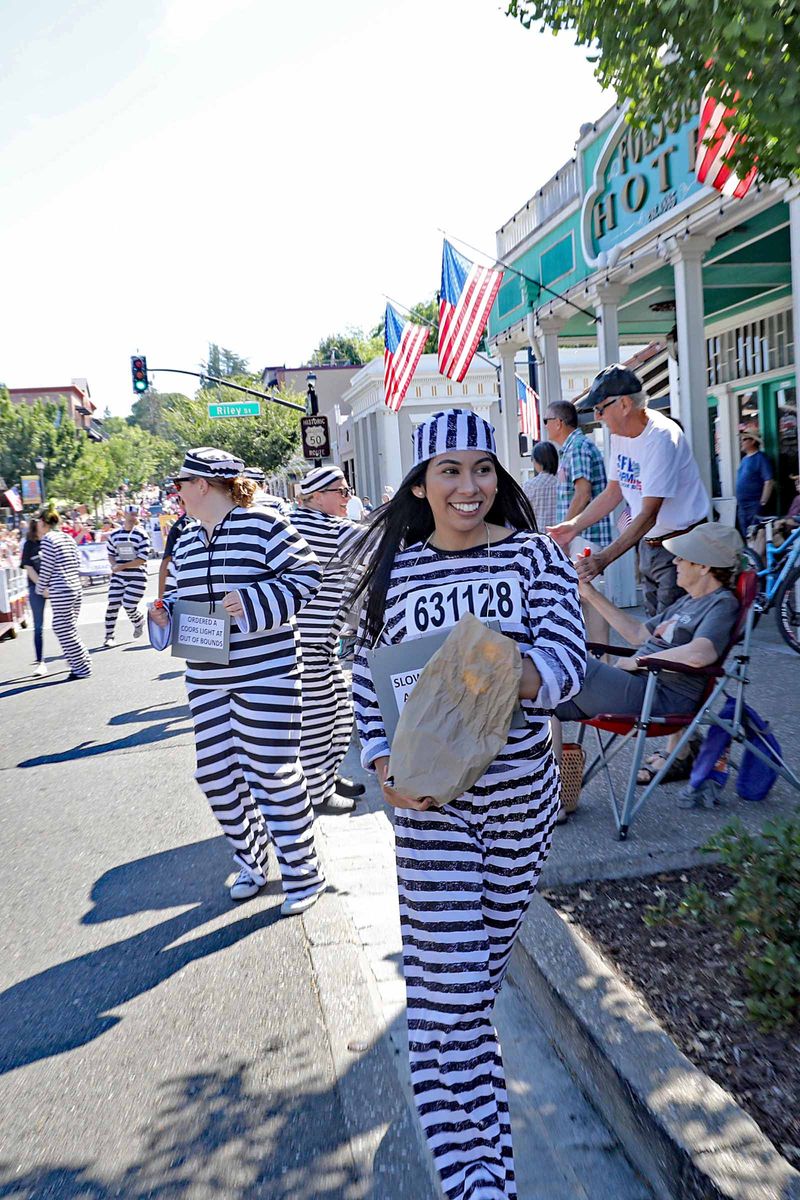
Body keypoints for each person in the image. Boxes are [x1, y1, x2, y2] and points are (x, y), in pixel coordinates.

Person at [350, 409, 585, 1200]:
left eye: (482, 468)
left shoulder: (531, 559)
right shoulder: (395, 575)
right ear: (420, 482)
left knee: (473, 989)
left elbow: (565, 661)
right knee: (447, 997)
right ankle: (475, 1180)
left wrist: (484, 669)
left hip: (521, 802)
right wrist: (381, 761)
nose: (469, 486)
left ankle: (483, 1161)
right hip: (430, 813)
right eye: (449, 470)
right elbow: (365, 682)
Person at [148, 447, 326, 915]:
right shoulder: (185, 535)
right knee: (215, 775)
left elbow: (307, 576)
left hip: (266, 672)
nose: (177, 492)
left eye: (181, 484)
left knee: (273, 773)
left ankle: (305, 873)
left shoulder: (264, 523)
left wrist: (253, 600)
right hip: (204, 675)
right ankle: (252, 861)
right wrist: (163, 613)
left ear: (204, 485)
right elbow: (177, 595)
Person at [556, 522, 742, 788]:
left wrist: (639, 661)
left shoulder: (721, 604)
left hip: (658, 695)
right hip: (637, 686)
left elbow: (701, 654)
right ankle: (554, 796)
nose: (675, 561)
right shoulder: (687, 601)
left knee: (559, 664)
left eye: (683, 557)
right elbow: (638, 634)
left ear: (704, 566)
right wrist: (589, 593)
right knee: (538, 702)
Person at [549, 365, 710, 616]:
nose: (598, 417)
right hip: (651, 544)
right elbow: (613, 492)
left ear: (624, 405)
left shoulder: (661, 437)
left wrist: (605, 558)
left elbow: (648, 514)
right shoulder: (620, 434)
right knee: (654, 630)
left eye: (600, 408)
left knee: (670, 636)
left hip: (682, 547)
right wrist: (573, 526)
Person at [289, 465, 366, 812]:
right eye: (341, 491)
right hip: (306, 646)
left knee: (339, 715)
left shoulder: (293, 521)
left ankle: (326, 778)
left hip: (318, 644)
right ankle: (317, 793)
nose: (347, 497)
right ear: (316, 497)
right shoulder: (326, 528)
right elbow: (377, 542)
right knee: (320, 722)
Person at [544, 399, 613, 550]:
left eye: (546, 420)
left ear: (558, 422)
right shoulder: (572, 448)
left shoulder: (577, 447)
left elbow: (582, 494)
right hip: (579, 537)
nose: (545, 426)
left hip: (584, 538)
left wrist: (564, 535)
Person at [35, 507, 91, 681]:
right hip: (74, 586)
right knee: (68, 628)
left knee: (63, 629)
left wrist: (40, 588)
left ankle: (82, 666)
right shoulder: (67, 537)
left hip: (61, 589)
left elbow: (47, 568)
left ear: (43, 522)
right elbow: (77, 560)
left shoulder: (48, 540)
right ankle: (79, 664)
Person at [104, 505, 152, 647]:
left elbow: (142, 559)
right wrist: (114, 565)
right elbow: (111, 553)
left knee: (129, 604)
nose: (133, 516)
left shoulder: (142, 535)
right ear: (124, 514)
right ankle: (109, 636)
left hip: (137, 575)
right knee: (113, 603)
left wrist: (123, 566)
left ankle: (138, 621)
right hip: (119, 575)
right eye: (130, 513)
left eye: (135, 514)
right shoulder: (114, 535)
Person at [20, 516, 47, 677]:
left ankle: (72, 657)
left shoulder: (51, 541)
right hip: (35, 587)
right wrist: (41, 587)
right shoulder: (29, 545)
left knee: (64, 623)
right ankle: (40, 662)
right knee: (38, 626)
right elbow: (28, 567)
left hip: (56, 585)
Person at [736, 431, 774, 536]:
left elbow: (769, 481)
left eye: (744, 440)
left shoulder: (760, 458)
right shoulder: (744, 459)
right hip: (742, 505)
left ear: (752, 441)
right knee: (745, 535)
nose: (741, 442)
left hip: (754, 504)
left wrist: (763, 502)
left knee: (755, 534)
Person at [158, 501, 194, 600]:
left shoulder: (179, 526)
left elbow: (166, 563)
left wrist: (161, 599)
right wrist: (161, 601)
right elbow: (166, 562)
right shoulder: (179, 527)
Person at [522, 440, 559, 529]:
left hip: (538, 536)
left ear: (538, 461)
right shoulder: (562, 484)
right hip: (560, 536)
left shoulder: (529, 486)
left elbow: (523, 515)